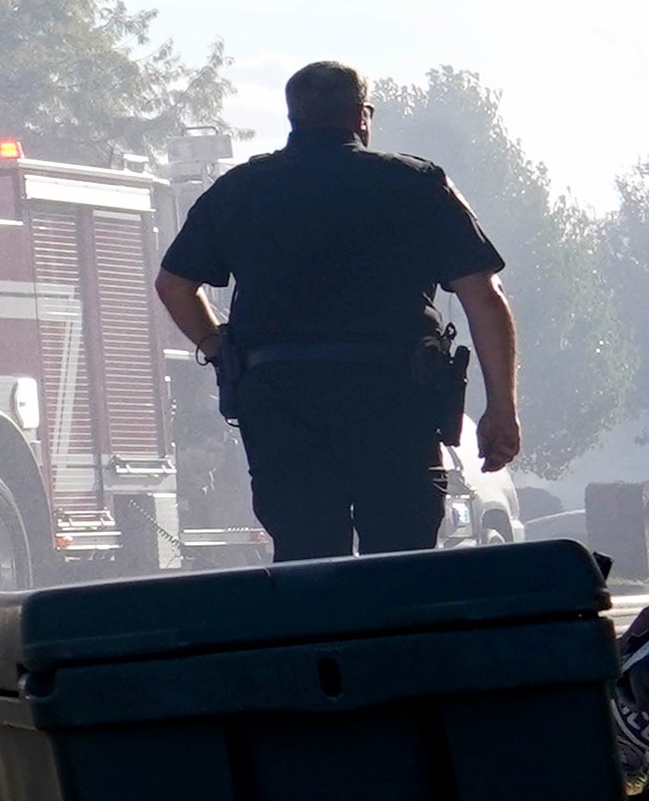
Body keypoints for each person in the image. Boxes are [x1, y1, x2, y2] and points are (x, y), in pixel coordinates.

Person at [158, 60, 523, 562]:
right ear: (360, 115)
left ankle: (320, 640)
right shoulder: (416, 184)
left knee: (308, 562)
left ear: (294, 118)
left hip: (283, 408)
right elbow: (484, 295)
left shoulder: (239, 190)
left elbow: (175, 285)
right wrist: (501, 409)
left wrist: (222, 350)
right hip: (395, 403)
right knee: (401, 563)